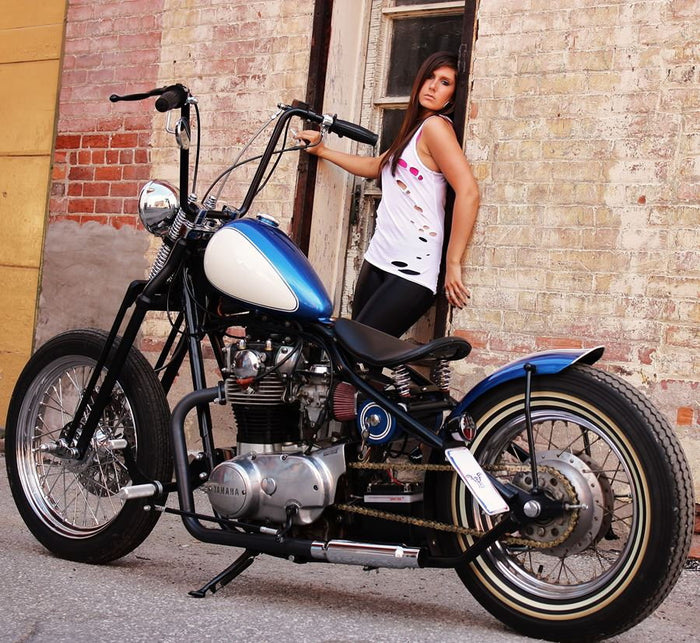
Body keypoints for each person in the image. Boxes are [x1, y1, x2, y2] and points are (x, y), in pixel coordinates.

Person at [297, 51, 479, 337]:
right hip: (379, 256)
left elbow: (468, 192)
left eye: (444, 82)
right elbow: (375, 166)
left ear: (452, 98)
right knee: (355, 357)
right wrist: (323, 150)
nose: (432, 86)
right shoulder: (416, 129)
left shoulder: (436, 128)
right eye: (430, 77)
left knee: (357, 350)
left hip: (412, 268)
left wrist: (453, 262)